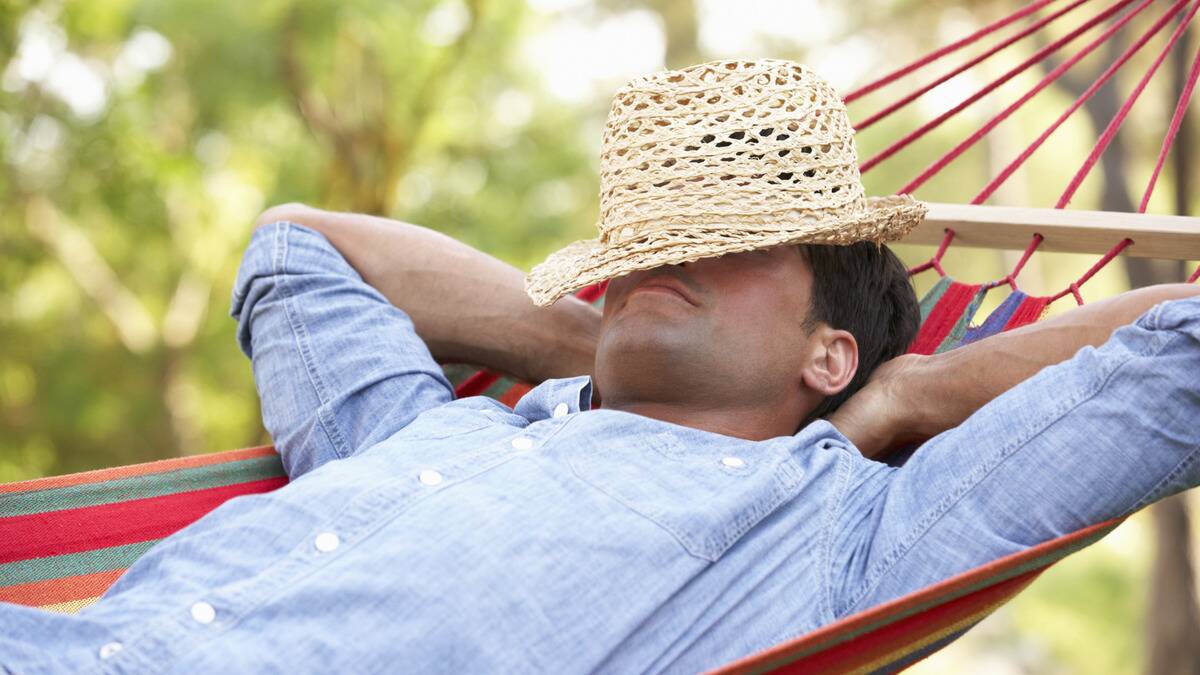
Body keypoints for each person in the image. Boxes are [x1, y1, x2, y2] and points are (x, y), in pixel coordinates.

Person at [3, 59, 1199, 674]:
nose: (656, 265)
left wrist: (916, 397)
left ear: (828, 352)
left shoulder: (843, 536)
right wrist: (596, 342)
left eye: (726, 250)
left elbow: (1182, 350)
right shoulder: (427, 433)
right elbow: (299, 251)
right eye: (646, 249)